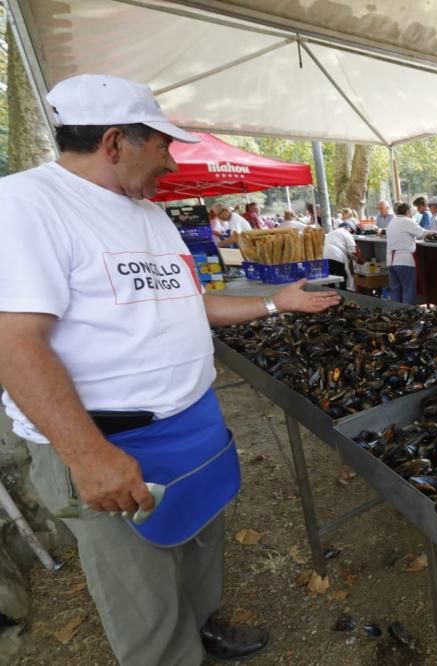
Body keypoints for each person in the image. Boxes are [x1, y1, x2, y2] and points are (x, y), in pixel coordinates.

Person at [0, 74, 343, 666]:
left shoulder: (151, 216)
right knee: (140, 587)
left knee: (200, 537)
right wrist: (85, 455)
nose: (170, 159)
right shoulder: (26, 204)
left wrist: (272, 303)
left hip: (192, 425)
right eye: (161, 144)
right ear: (114, 142)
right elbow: (16, 343)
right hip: (109, 439)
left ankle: (205, 624)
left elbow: (190, 302)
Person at [386, 202, 430, 304]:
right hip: (404, 261)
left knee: (395, 291)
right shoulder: (407, 221)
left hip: (390, 262)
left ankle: (395, 315)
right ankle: (407, 316)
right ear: (408, 211)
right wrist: (434, 232)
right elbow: (422, 233)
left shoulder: (391, 223)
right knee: (408, 291)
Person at [323, 223, 357, 290]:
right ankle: (343, 295)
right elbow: (353, 250)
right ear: (349, 228)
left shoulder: (331, 233)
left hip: (325, 257)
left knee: (330, 279)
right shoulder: (347, 233)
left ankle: (331, 296)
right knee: (342, 278)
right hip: (337, 257)